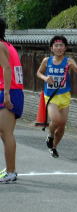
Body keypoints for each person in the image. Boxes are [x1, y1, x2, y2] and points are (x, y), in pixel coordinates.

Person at [36, 35, 77, 158]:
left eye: (61, 45)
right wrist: (45, 78)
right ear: (51, 48)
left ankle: (54, 147)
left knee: (62, 126)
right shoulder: (47, 61)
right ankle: (50, 135)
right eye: (56, 45)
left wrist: (74, 66)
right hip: (51, 96)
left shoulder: (69, 61)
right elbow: (38, 72)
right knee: (56, 120)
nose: (59, 48)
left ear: (65, 48)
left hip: (65, 96)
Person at [0, 18, 24, 183]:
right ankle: (10, 169)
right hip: (13, 90)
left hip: (7, 91)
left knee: (6, 133)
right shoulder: (8, 45)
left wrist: (7, 94)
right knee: (4, 133)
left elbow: (7, 68)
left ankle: (11, 172)